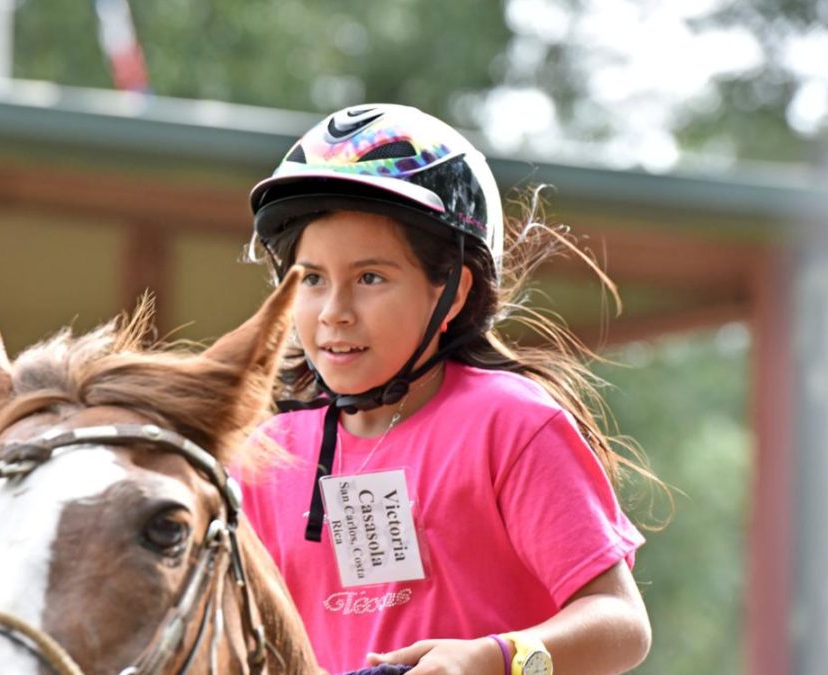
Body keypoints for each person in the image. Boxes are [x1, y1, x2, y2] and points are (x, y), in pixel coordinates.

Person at [240, 103, 662, 675]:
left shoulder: (509, 424)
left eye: (370, 277)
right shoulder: (264, 456)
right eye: (312, 279)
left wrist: (497, 660)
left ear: (453, 294)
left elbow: (623, 626)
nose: (333, 312)